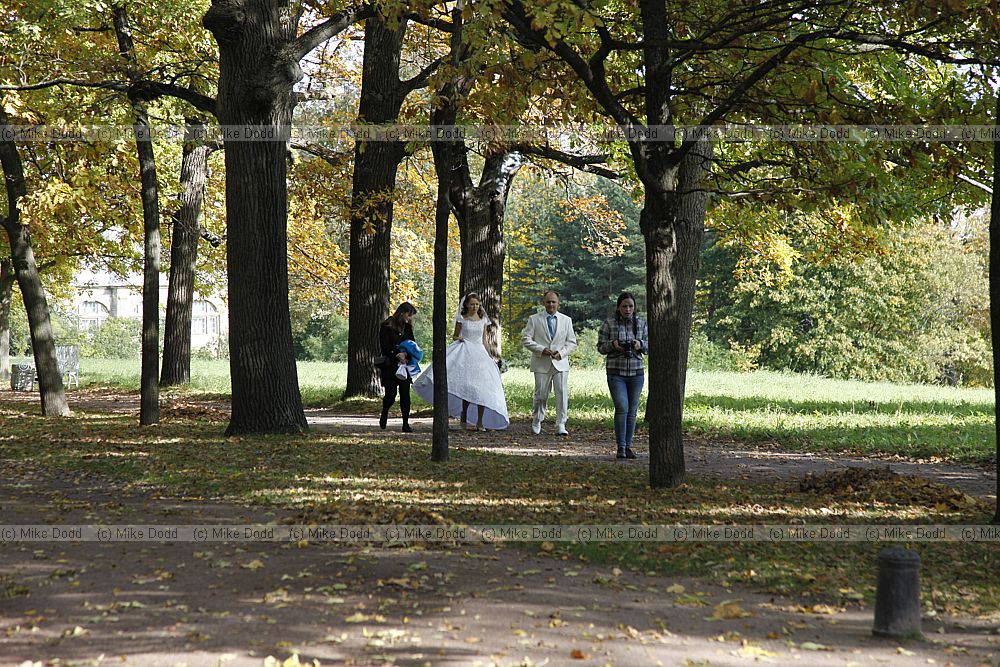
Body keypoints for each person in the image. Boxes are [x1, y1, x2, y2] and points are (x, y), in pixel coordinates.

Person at [413, 293, 509, 431]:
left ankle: (480, 421)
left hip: (479, 354)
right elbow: (454, 335)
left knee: (483, 387)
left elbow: (485, 340)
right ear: (466, 305)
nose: (474, 307)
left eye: (477, 304)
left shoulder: (483, 320)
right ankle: (464, 413)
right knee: (467, 385)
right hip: (465, 351)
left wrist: (489, 356)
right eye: (472, 304)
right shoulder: (462, 319)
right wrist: (460, 337)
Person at [597, 292, 648, 459]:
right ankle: (621, 447)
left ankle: (628, 446)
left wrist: (639, 344)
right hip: (616, 372)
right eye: (624, 306)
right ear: (618, 307)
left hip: (636, 373)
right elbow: (600, 347)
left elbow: (650, 345)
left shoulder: (641, 324)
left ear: (635, 307)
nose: (628, 309)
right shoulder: (609, 324)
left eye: (631, 306)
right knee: (622, 407)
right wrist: (613, 345)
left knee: (632, 411)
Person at [521, 290, 578, 435]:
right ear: (543, 303)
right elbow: (526, 339)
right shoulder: (534, 319)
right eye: (548, 302)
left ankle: (561, 425)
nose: (551, 304)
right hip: (541, 362)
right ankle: (537, 420)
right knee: (541, 395)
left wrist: (562, 353)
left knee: (562, 394)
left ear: (558, 303)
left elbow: (572, 342)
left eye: (553, 302)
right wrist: (541, 349)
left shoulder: (566, 320)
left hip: (560, 363)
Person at [378, 302, 418, 432]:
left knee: (405, 394)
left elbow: (412, 343)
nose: (410, 318)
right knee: (391, 395)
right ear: (402, 313)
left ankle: (405, 423)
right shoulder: (386, 325)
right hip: (390, 365)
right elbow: (384, 345)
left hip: (404, 365)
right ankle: (385, 412)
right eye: (409, 315)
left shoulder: (407, 327)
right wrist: (396, 353)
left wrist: (406, 353)